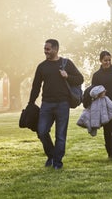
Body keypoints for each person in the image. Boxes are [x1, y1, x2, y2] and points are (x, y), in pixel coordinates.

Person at [28, 39, 83, 170]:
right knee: (42, 131)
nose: (45, 51)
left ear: (56, 49)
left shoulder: (66, 63)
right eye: (45, 48)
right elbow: (36, 86)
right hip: (46, 104)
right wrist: (31, 103)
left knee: (60, 135)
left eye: (48, 49)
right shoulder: (42, 66)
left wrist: (67, 76)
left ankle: (57, 162)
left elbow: (80, 79)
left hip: (63, 104)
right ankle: (51, 155)